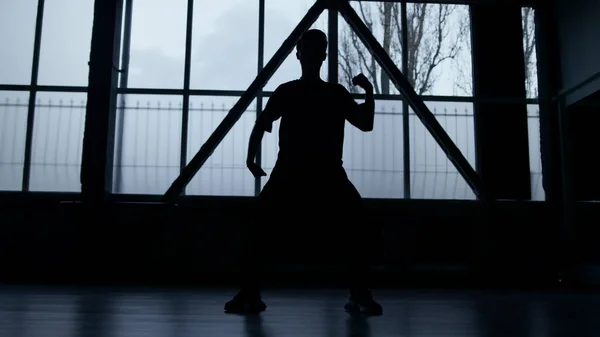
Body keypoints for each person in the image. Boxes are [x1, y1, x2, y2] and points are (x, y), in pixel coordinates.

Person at [224, 29, 382, 315]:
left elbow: (262, 123)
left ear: (299, 55)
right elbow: (366, 123)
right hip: (328, 175)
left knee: (258, 228)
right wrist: (369, 92)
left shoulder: (288, 92)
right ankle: (359, 293)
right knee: (357, 225)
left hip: (290, 174)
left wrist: (251, 158)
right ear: (323, 55)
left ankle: (250, 293)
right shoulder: (334, 94)